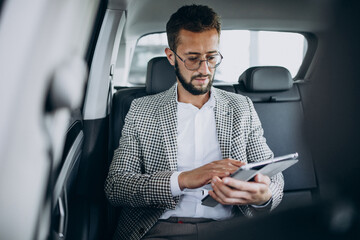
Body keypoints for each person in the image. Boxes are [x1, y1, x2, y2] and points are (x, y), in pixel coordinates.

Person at [105, 4, 284, 240]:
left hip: (232, 229)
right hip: (161, 230)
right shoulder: (142, 110)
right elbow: (116, 186)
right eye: (193, 59)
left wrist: (264, 196)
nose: (205, 69)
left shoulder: (241, 107)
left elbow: (273, 176)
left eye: (212, 57)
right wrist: (183, 180)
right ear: (171, 57)